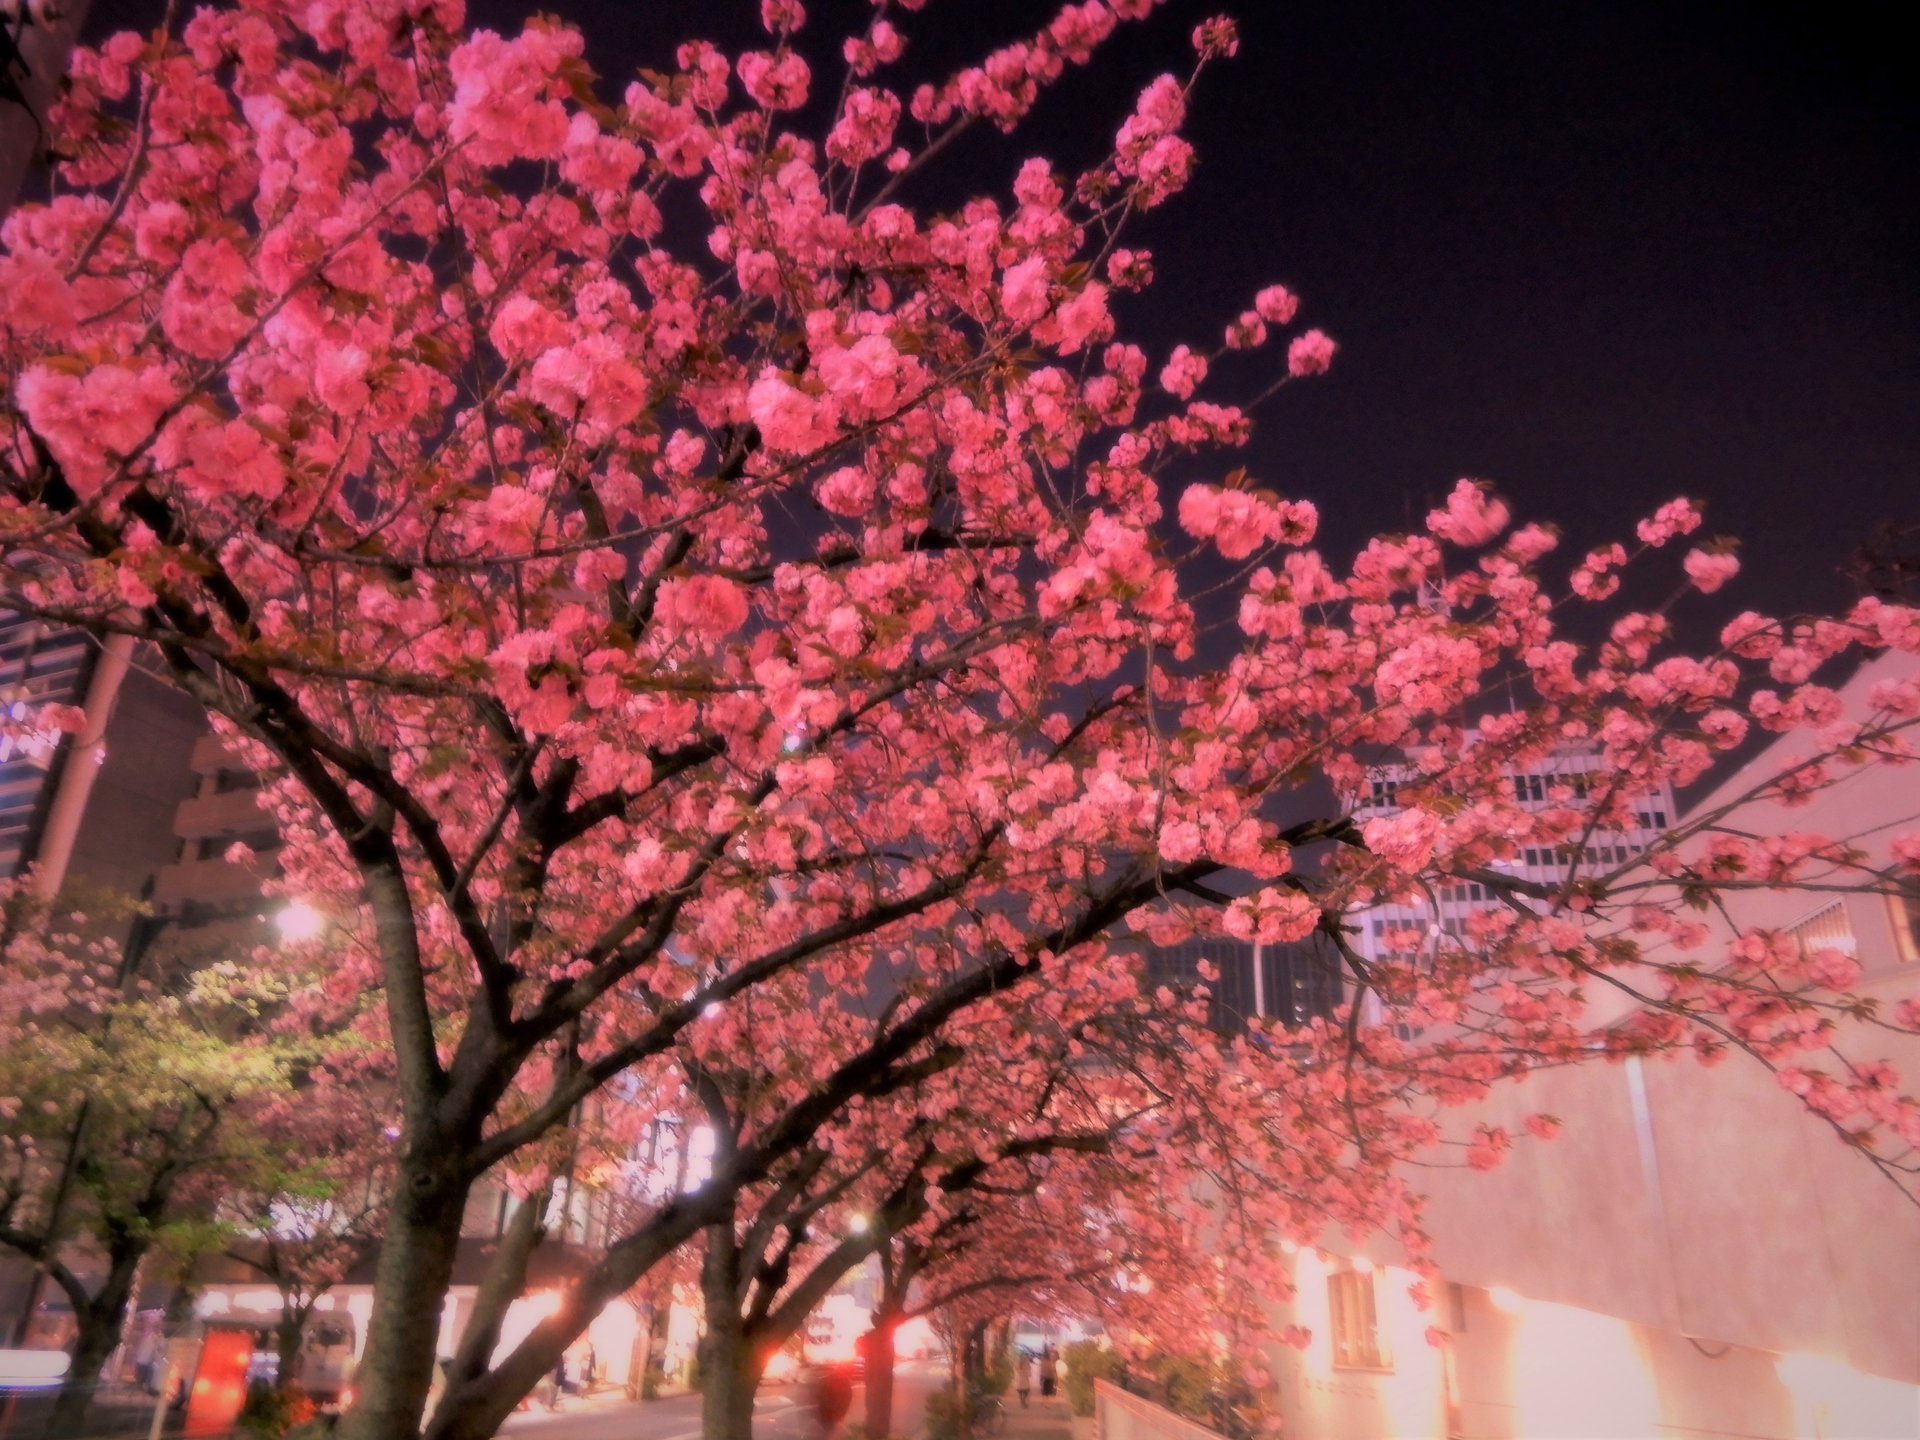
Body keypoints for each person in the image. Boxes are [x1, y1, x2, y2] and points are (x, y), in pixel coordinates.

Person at [814, 1360, 855, 1438]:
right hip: (830, 1413)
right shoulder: (843, 1380)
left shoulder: (831, 1377)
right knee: (827, 1432)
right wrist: (839, 1413)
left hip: (824, 1411)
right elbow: (846, 1398)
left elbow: (820, 1392)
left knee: (825, 1432)